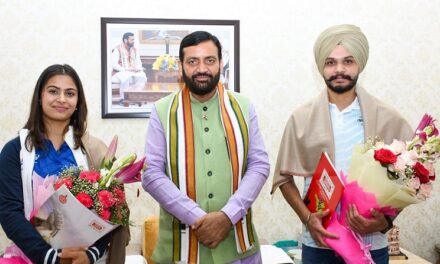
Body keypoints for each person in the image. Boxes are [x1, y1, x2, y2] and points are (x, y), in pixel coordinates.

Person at [271, 24, 414, 264]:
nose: (339, 69)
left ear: (359, 64)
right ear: (321, 68)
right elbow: (283, 178)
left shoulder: (388, 117)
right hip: (319, 242)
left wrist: (386, 221)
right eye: (330, 63)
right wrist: (308, 219)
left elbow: (410, 180)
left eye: (347, 61)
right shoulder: (302, 118)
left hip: (372, 243)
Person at [142, 31, 270, 263]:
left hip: (238, 248)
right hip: (178, 250)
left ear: (221, 62)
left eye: (209, 60)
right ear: (181, 66)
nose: (202, 69)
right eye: (193, 61)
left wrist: (226, 217)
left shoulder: (243, 106)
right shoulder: (161, 111)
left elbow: (259, 165)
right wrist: (198, 219)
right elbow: (151, 175)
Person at [0, 64, 129, 264]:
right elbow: (9, 212)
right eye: (53, 91)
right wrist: (50, 258)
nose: (61, 99)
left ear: (77, 102)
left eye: (70, 93)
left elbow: (110, 209)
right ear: (40, 97)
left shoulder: (93, 150)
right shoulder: (14, 151)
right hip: (29, 257)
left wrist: (90, 255)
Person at [111, 32, 147, 104]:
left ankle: (137, 98)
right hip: (119, 72)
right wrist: (126, 69)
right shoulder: (117, 49)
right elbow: (114, 64)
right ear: (125, 40)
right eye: (132, 40)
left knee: (142, 76)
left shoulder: (134, 49)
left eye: (134, 40)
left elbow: (139, 62)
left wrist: (138, 68)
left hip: (132, 71)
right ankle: (124, 99)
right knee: (127, 76)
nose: (133, 41)